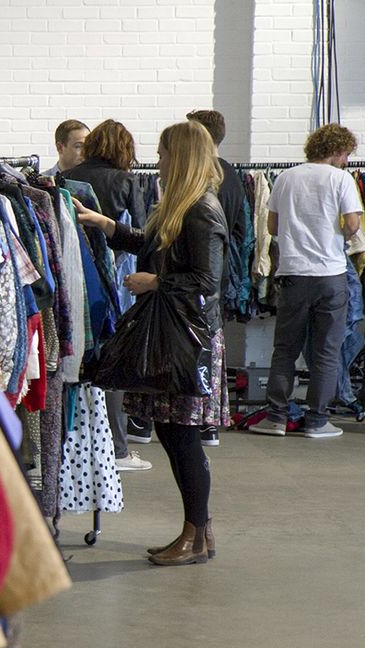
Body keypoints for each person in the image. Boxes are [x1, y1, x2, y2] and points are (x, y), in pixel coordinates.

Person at [74, 120, 228, 566]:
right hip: (178, 334)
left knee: (183, 437)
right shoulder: (183, 205)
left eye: (162, 153)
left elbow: (207, 280)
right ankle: (198, 532)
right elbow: (154, 244)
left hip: (190, 339)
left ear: (180, 157)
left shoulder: (202, 210)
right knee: (174, 433)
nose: (156, 161)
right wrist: (108, 225)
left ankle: (195, 536)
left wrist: (155, 282)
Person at [249, 123, 363, 439]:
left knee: (285, 350)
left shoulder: (286, 178)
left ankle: (276, 418)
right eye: (346, 154)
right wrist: (339, 232)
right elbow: (353, 224)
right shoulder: (341, 179)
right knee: (326, 351)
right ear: (336, 151)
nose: (346, 161)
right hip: (330, 276)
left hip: (293, 275)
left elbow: (272, 227)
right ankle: (317, 421)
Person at [63, 119, 152, 471]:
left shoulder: (68, 179)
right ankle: (117, 447)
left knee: (77, 358)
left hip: (76, 274)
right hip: (116, 278)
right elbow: (142, 235)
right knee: (114, 358)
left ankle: (77, 445)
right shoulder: (127, 181)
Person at [185, 109, 246, 447]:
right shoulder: (232, 176)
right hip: (219, 275)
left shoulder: (200, 181)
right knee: (210, 346)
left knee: (196, 346)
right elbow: (242, 231)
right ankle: (208, 421)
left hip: (199, 277)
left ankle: (198, 418)